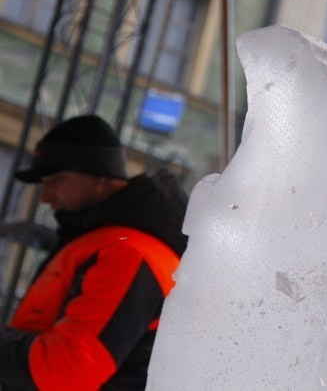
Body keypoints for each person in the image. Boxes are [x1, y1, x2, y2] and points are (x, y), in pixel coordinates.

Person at [0, 114, 188, 390]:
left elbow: (67, 370)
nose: (45, 196)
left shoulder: (129, 253)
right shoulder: (110, 241)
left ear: (99, 177)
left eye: (56, 181)